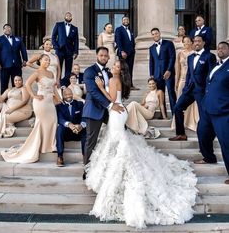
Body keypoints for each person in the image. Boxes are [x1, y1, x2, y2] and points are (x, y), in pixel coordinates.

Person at [85, 59, 197, 229]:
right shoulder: (118, 79)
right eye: (114, 64)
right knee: (117, 142)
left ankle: (120, 170)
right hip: (119, 111)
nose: (113, 66)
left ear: (120, 70)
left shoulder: (114, 80)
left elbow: (112, 98)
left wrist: (101, 87)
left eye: (116, 65)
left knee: (117, 142)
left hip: (116, 112)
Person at [1, 54, 61, 163]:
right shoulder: (37, 72)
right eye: (45, 60)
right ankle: (41, 146)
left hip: (50, 102)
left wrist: (59, 98)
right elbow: (28, 84)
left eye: (49, 61)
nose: (47, 62)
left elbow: (53, 88)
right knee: (42, 123)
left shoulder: (51, 73)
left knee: (53, 121)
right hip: (40, 102)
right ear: (40, 61)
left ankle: (49, 146)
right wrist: (34, 96)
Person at [82, 46, 124, 178]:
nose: (104, 58)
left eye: (106, 56)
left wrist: (116, 103)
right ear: (97, 56)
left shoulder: (108, 72)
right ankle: (87, 170)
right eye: (101, 55)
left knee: (123, 130)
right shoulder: (89, 71)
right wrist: (111, 105)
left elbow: (112, 91)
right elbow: (93, 92)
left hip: (108, 110)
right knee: (91, 141)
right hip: (94, 110)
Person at [169, 35, 216, 141]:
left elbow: (211, 75)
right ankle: (181, 134)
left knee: (203, 115)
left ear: (204, 42)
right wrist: (186, 88)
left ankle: (206, 140)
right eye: (195, 41)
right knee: (177, 108)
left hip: (202, 91)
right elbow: (189, 74)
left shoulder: (209, 56)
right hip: (189, 90)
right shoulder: (190, 57)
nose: (197, 43)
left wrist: (208, 91)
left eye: (199, 41)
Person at [195, 42, 229, 185]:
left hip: (223, 111)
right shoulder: (216, 65)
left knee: (226, 143)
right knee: (202, 133)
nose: (219, 50)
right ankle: (209, 157)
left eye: (223, 48)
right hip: (207, 109)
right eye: (218, 48)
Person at [173, 35, 199, 131]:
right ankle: (179, 124)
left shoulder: (194, 54)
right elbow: (177, 70)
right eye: (184, 42)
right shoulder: (180, 54)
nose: (186, 43)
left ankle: (191, 122)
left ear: (191, 42)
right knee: (179, 102)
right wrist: (176, 82)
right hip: (182, 80)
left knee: (192, 103)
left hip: (192, 81)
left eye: (188, 41)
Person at [56, 87, 86, 167]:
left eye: (70, 94)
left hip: (78, 131)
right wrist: (69, 125)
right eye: (66, 94)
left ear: (72, 94)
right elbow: (60, 119)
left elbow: (84, 117)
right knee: (59, 129)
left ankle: (85, 156)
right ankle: (60, 156)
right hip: (67, 133)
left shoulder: (79, 104)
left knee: (85, 130)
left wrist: (81, 126)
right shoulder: (59, 106)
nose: (68, 96)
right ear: (63, 95)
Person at [149, 27, 176, 115]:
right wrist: (152, 74)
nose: (155, 35)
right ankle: (163, 114)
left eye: (156, 33)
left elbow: (172, 57)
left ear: (159, 33)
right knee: (161, 95)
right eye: (153, 34)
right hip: (157, 75)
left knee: (171, 93)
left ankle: (175, 115)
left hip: (169, 73)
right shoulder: (151, 48)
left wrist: (169, 70)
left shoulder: (169, 43)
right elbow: (151, 62)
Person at [0, 24, 28, 94]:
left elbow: (23, 50)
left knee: (17, 85)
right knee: (4, 85)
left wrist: (25, 60)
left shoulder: (18, 39)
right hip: (3, 66)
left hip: (16, 65)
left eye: (9, 28)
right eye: (6, 28)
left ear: (11, 30)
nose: (7, 30)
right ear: (3, 30)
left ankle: (17, 100)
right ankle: (4, 102)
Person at [52, 12, 79, 86]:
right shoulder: (58, 25)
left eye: (70, 16)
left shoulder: (75, 28)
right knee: (58, 67)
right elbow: (53, 36)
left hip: (70, 51)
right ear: (64, 17)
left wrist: (76, 52)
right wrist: (55, 46)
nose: (68, 17)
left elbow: (76, 41)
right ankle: (58, 83)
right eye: (67, 15)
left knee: (68, 69)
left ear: (71, 18)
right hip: (60, 50)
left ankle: (66, 84)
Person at [115, 15, 138, 90]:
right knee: (123, 69)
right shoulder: (119, 29)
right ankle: (123, 86)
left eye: (127, 20)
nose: (126, 21)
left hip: (131, 53)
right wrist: (122, 51)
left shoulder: (130, 30)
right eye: (124, 20)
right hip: (123, 53)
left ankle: (130, 85)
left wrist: (133, 49)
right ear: (122, 21)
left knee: (130, 69)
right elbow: (118, 41)